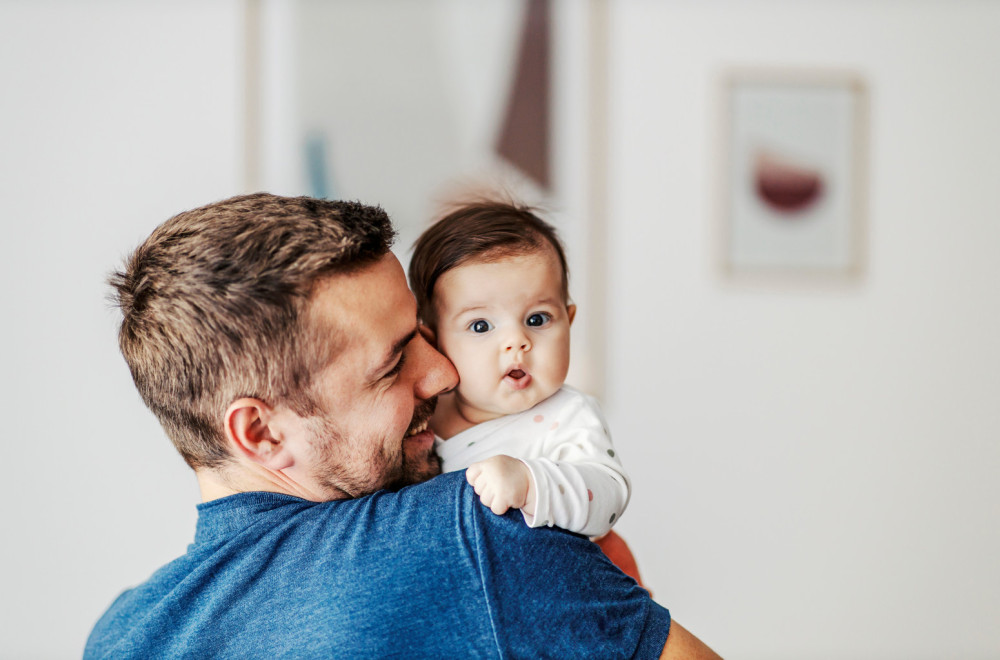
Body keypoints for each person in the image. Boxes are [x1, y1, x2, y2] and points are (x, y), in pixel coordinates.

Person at [85, 193, 720, 659]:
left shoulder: (119, 638)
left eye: (424, 334)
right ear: (261, 433)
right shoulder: (474, 532)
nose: (444, 373)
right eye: (393, 365)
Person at [408, 199, 640, 573]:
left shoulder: (566, 415)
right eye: (481, 326)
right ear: (434, 343)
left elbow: (609, 493)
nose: (516, 341)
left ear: (569, 320)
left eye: (537, 318)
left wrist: (530, 482)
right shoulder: (424, 418)